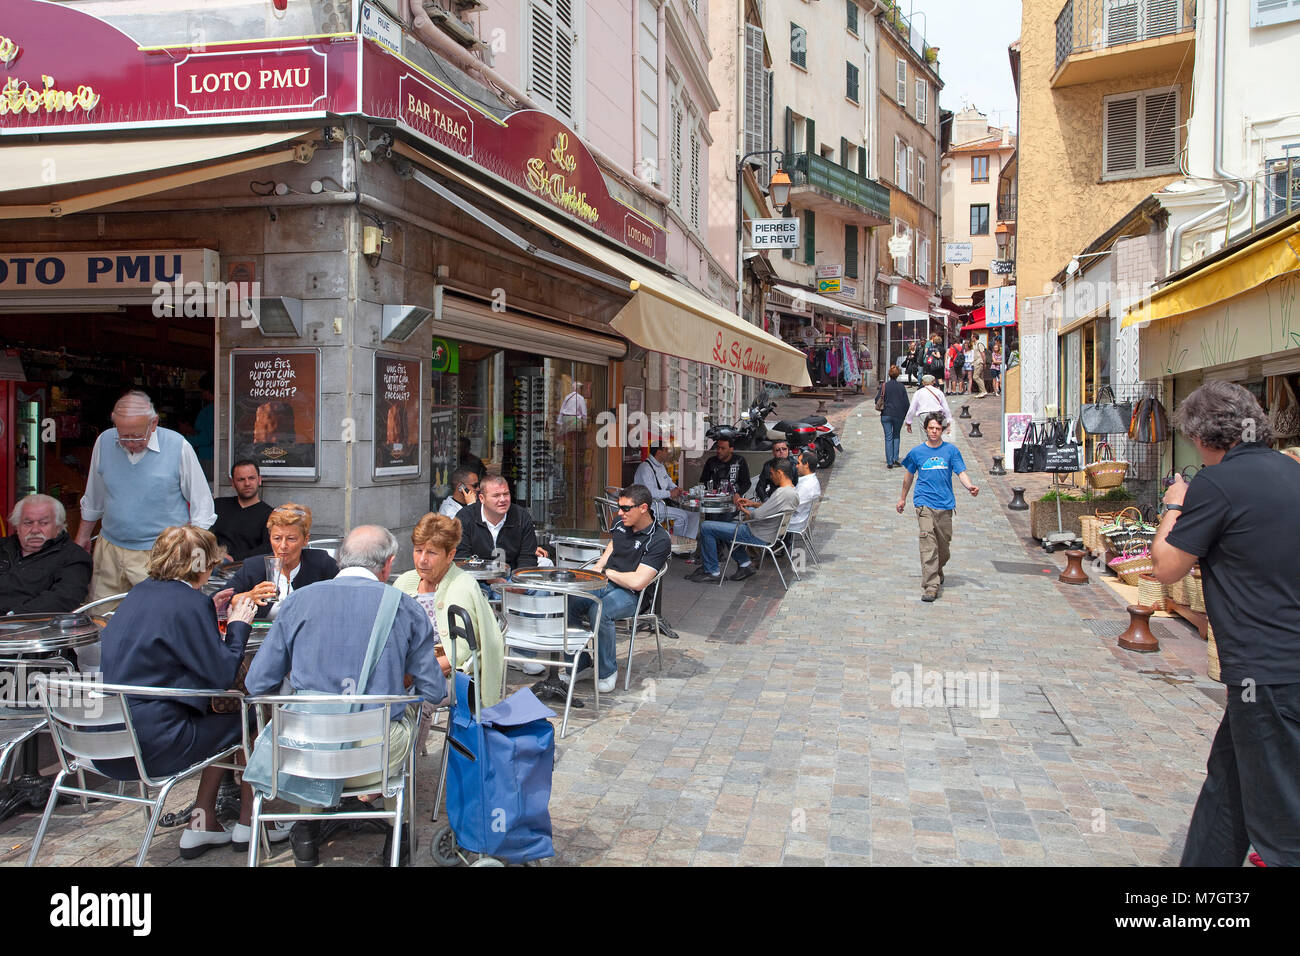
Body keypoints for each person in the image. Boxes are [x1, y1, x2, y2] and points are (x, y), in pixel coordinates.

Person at [1149, 382, 1300, 867]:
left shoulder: (1215, 485)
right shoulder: (1290, 470)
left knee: (1281, 828)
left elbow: (1167, 567)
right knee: (1227, 786)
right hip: (1273, 670)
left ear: (1203, 437)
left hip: (1267, 670)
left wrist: (1175, 503)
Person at [244, 525, 446, 867]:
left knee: (312, 721)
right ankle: (397, 832)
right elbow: (434, 690)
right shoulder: (405, 608)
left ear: (339, 560)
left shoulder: (297, 602)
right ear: (387, 565)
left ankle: (307, 832)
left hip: (302, 756)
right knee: (402, 712)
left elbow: (256, 682)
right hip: (374, 759)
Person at [98, 526, 281, 858]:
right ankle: (251, 820)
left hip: (107, 745)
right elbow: (222, 674)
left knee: (224, 715)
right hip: (153, 746)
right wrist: (239, 623)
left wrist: (208, 608)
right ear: (203, 565)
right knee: (247, 715)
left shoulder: (137, 594)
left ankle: (203, 820)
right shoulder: (188, 603)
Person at [74, 390, 217, 601]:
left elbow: (202, 506)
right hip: (110, 549)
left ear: (154, 423)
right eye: (123, 436)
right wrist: (83, 536)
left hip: (162, 554)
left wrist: (195, 556)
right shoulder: (104, 441)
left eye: (136, 436)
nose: (130, 443)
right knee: (101, 615)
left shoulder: (178, 446)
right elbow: (94, 496)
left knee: (158, 616)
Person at [561, 484, 671, 694]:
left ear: (643, 508)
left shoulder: (659, 539)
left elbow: (638, 582)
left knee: (599, 610)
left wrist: (607, 573)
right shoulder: (621, 521)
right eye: (619, 507)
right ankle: (580, 661)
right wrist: (600, 566)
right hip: (606, 581)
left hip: (633, 595)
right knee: (570, 599)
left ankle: (607, 671)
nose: (620, 513)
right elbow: (614, 542)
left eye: (625, 508)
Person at [393, 513, 505, 707]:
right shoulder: (405, 582)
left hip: (453, 676)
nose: (422, 560)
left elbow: (459, 655)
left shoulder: (463, 586)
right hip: (404, 672)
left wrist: (413, 674)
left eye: (431, 553)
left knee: (410, 703)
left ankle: (410, 737)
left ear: (450, 555)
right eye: (418, 551)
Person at [896, 412, 979, 602]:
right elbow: (907, 478)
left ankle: (936, 569)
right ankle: (931, 585)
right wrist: (902, 499)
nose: (934, 431)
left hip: (945, 504)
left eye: (938, 429)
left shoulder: (951, 451)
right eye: (931, 428)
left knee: (943, 548)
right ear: (926, 429)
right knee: (928, 545)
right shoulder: (917, 453)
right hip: (924, 503)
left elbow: (961, 472)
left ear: (942, 430)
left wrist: (970, 487)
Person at [688, 458, 800, 583]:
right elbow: (769, 508)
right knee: (724, 526)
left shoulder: (781, 493)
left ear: (780, 473)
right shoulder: (792, 492)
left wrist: (742, 509)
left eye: (772, 473)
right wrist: (751, 503)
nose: (770, 477)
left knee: (706, 527)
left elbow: (757, 515)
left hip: (758, 534)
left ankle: (712, 571)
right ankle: (745, 564)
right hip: (770, 533)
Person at [219, 503, 338, 621]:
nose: (283, 546)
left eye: (291, 539)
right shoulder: (254, 567)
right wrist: (248, 596)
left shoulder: (321, 563)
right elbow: (217, 601)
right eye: (277, 538)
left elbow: (347, 592)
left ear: (305, 540)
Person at [1, 494, 92, 615]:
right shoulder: (3, 546)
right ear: (17, 526)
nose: (35, 530)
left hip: (28, 627)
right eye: (28, 523)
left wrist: (13, 616)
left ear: (59, 526)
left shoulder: (73, 556)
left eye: (43, 523)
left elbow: (65, 597)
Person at [454, 474, 542, 571]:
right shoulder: (465, 517)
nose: (503, 500)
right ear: (482, 498)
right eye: (496, 495)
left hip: (512, 578)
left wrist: (518, 583)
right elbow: (461, 558)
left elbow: (528, 558)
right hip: (476, 578)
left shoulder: (521, 517)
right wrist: (488, 577)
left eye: (506, 494)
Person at [211, 460, 273, 562]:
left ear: (259, 480)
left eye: (251, 478)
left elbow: (268, 548)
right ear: (233, 483)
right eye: (241, 479)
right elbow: (202, 534)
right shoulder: (218, 505)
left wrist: (234, 559)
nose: (247, 483)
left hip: (246, 568)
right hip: (213, 564)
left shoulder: (269, 514)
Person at [633, 444, 699, 539]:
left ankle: (688, 543)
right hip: (650, 507)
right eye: (666, 450)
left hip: (661, 503)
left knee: (694, 513)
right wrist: (670, 493)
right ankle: (676, 546)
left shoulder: (661, 466)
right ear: (659, 452)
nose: (668, 453)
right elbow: (650, 492)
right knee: (682, 516)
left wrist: (678, 490)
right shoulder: (645, 468)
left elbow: (669, 483)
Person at [878, 365, 910, 469]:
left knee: (888, 437)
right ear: (898, 374)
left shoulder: (884, 386)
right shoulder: (901, 387)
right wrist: (906, 415)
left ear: (889, 374)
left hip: (886, 414)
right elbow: (906, 403)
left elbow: (877, 400)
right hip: (898, 415)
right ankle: (895, 458)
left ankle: (889, 461)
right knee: (896, 435)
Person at [903, 374, 954, 438]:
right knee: (936, 435)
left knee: (925, 437)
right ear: (933, 382)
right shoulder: (938, 392)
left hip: (924, 415)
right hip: (937, 414)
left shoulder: (918, 393)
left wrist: (908, 422)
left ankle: (926, 447)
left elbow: (912, 409)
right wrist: (948, 420)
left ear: (923, 382)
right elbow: (945, 408)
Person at [746, 439, 792, 503]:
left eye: (784, 449)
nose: (781, 452)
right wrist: (766, 501)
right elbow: (760, 487)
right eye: (777, 450)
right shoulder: (768, 465)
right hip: (773, 499)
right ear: (773, 452)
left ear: (788, 450)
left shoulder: (796, 464)